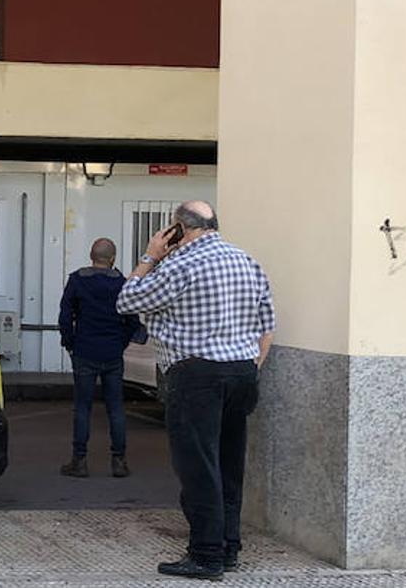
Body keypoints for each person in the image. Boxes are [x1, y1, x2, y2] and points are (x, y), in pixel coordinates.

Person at [117, 200, 275, 581]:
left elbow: (126, 300)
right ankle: (229, 547)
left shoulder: (179, 264)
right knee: (229, 463)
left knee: (198, 467)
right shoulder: (246, 261)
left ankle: (205, 556)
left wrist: (150, 255)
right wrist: (249, 366)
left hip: (196, 375)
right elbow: (267, 321)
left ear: (178, 229)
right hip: (241, 372)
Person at [58, 237, 147, 480]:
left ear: (91, 255)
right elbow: (132, 322)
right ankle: (118, 461)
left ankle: (80, 461)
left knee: (83, 408)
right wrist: (120, 343)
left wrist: (70, 342)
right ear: (113, 258)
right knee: (116, 408)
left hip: (85, 351)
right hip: (112, 353)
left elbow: (65, 316)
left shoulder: (77, 280)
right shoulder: (122, 283)